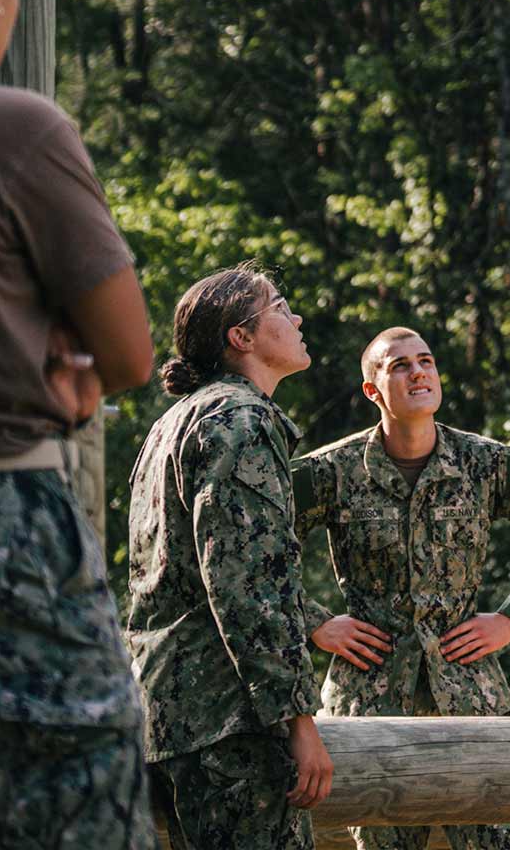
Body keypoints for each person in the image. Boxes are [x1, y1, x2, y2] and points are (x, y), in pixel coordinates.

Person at [0, 0, 159, 848]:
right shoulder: (15, 129)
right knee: (80, 787)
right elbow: (130, 352)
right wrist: (76, 366)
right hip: (5, 510)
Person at [294, 327, 510, 850]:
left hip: (468, 698)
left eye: (426, 361)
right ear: (373, 390)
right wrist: (316, 622)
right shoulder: (328, 473)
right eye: (399, 365)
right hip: (372, 700)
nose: (418, 372)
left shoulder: (488, 463)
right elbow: (254, 557)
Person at [127, 266, 334, 849]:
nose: (296, 319)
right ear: (241, 338)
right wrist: (296, 719)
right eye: (280, 306)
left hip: (170, 712)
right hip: (229, 720)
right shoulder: (239, 419)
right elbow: (247, 584)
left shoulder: (174, 422)